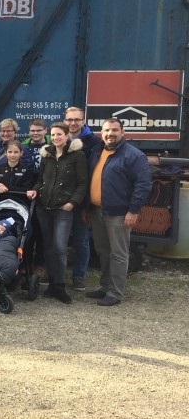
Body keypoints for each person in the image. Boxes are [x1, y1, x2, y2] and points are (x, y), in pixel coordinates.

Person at [85, 119, 152, 307]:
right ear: (101, 132)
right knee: (103, 251)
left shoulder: (133, 155)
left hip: (119, 213)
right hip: (97, 210)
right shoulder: (97, 151)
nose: (110, 134)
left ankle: (115, 292)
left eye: (115, 130)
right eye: (107, 130)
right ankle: (105, 287)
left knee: (119, 253)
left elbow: (143, 184)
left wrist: (133, 211)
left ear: (123, 132)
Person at [27, 121, 89, 304]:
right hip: (44, 207)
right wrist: (34, 190)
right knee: (47, 246)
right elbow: (40, 180)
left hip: (63, 208)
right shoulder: (46, 155)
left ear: (67, 135)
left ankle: (60, 286)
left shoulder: (77, 156)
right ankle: (52, 283)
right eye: (53, 135)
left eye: (59, 135)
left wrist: (73, 202)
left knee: (60, 247)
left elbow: (82, 183)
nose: (55, 138)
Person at [64, 106, 101, 291]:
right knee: (58, 240)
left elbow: (94, 173)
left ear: (83, 121)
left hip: (81, 200)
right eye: (69, 119)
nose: (72, 123)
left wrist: (86, 203)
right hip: (60, 200)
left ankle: (79, 276)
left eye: (76, 119)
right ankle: (56, 274)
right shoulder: (57, 139)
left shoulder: (93, 142)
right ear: (65, 121)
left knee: (81, 240)